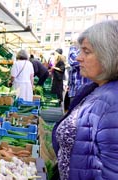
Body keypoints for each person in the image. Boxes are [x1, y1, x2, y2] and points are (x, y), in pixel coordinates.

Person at [52, 20, 118, 180]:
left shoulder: (113, 104)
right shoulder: (94, 89)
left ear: (108, 55)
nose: (79, 58)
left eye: (86, 52)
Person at [67, 40, 90, 104]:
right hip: (76, 90)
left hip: (82, 91)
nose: (79, 58)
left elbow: (73, 60)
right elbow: (73, 61)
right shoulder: (77, 50)